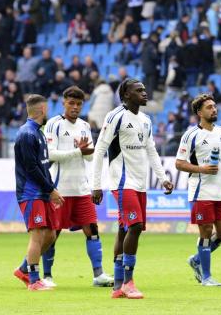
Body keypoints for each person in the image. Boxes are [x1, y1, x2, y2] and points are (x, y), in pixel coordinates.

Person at [91, 79, 174, 299]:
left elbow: (151, 150)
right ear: (126, 95)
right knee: (135, 226)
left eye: (145, 90)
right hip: (121, 182)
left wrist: (162, 178)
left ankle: (118, 285)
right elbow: (100, 149)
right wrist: (96, 185)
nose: (144, 93)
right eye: (139, 91)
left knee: (124, 229)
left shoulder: (146, 120)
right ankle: (128, 281)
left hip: (140, 184)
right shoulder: (115, 116)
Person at [41, 87, 114, 287]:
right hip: (60, 190)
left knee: (92, 230)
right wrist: (77, 151)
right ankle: (47, 276)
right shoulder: (54, 125)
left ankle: (98, 275)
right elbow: (50, 154)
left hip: (82, 189)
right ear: (64, 103)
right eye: (71, 103)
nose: (75, 107)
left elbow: (89, 157)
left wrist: (88, 150)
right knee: (52, 234)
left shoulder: (84, 126)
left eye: (79, 104)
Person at [176, 94, 221, 287]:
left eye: (214, 106)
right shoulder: (191, 135)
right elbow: (179, 163)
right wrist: (201, 169)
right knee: (206, 231)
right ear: (199, 112)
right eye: (209, 107)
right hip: (201, 191)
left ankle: (196, 260)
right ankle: (206, 276)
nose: (214, 109)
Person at [12, 94, 65, 291]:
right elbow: (32, 168)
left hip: (42, 192)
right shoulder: (27, 134)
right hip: (30, 193)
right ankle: (34, 280)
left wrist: (52, 189)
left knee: (50, 235)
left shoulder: (39, 133)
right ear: (42, 109)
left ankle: (24, 269)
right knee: (37, 235)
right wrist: (49, 189)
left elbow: (43, 166)